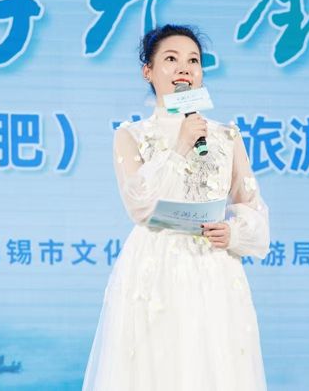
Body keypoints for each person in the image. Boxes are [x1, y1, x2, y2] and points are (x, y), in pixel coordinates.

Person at [82, 24, 270, 390]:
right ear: (148, 71)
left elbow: (253, 207)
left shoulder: (226, 136)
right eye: (171, 58)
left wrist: (233, 232)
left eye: (193, 60)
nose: (184, 67)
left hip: (214, 268)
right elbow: (139, 205)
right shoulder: (131, 135)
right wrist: (180, 145)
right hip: (155, 267)